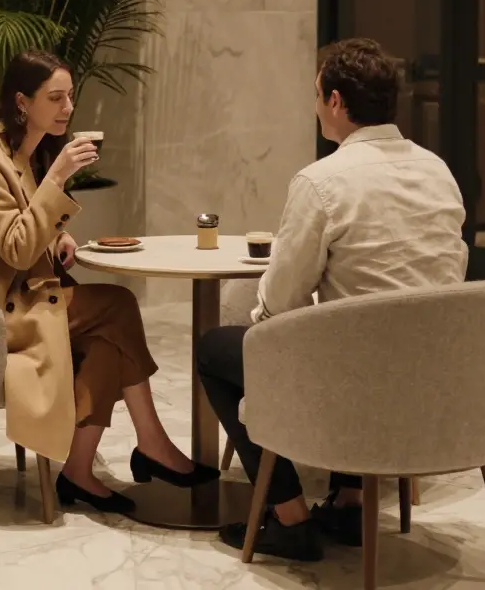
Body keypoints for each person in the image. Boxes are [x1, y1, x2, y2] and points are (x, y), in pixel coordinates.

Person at [197, 38, 468, 561]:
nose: (316, 104)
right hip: (438, 382)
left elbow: (282, 299)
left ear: (337, 102)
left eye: (318, 94)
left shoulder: (323, 181)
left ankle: (288, 515)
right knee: (358, 325)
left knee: (218, 349)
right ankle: (349, 502)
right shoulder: (439, 171)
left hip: (356, 384)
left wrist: (267, 331)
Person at [0, 50, 219, 515]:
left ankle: (80, 472)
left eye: (70, 96)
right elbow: (16, 249)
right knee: (117, 305)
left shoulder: (20, 153)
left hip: (17, 295)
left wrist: (58, 232)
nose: (67, 107)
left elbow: (21, 229)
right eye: (55, 98)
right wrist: (59, 177)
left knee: (109, 341)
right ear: (22, 103)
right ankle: (151, 444)